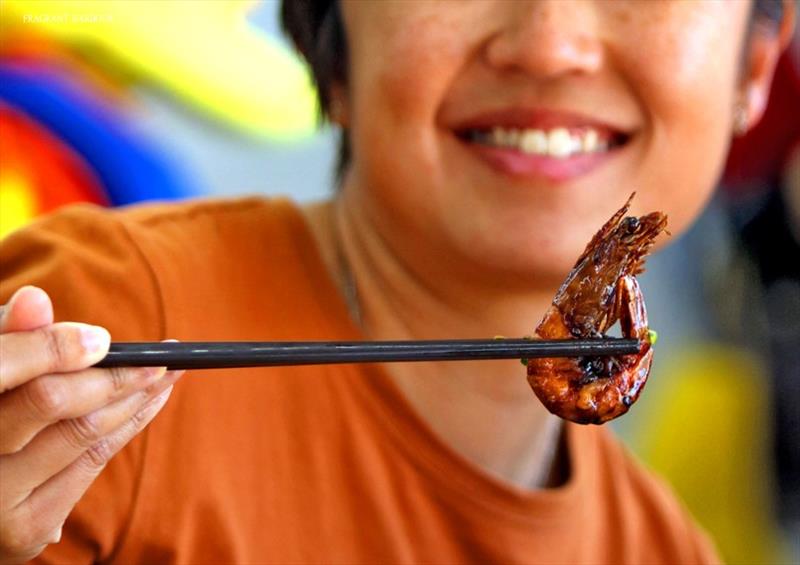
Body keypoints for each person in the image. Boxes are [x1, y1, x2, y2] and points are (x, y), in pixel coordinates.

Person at [0, 1, 794, 563]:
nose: (550, 44)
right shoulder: (88, 361)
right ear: (332, 33)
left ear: (755, 65)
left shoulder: (667, 550)